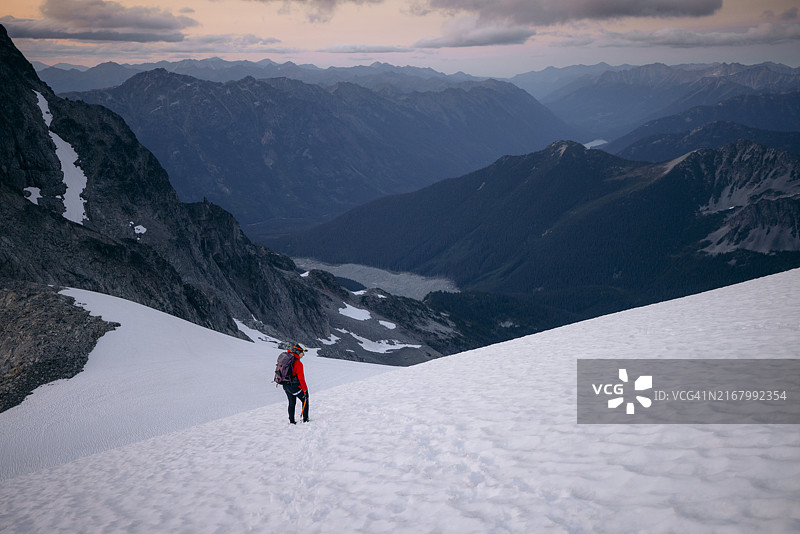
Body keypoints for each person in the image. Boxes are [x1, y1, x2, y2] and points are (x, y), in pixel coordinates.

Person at [282, 343, 309, 424]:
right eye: (302, 352)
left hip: (285, 385)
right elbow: (301, 379)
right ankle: (305, 419)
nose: (303, 354)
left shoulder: (288, 359)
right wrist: (305, 390)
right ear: (298, 352)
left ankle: (292, 421)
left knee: (291, 402)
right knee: (305, 399)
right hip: (294, 387)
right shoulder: (298, 363)